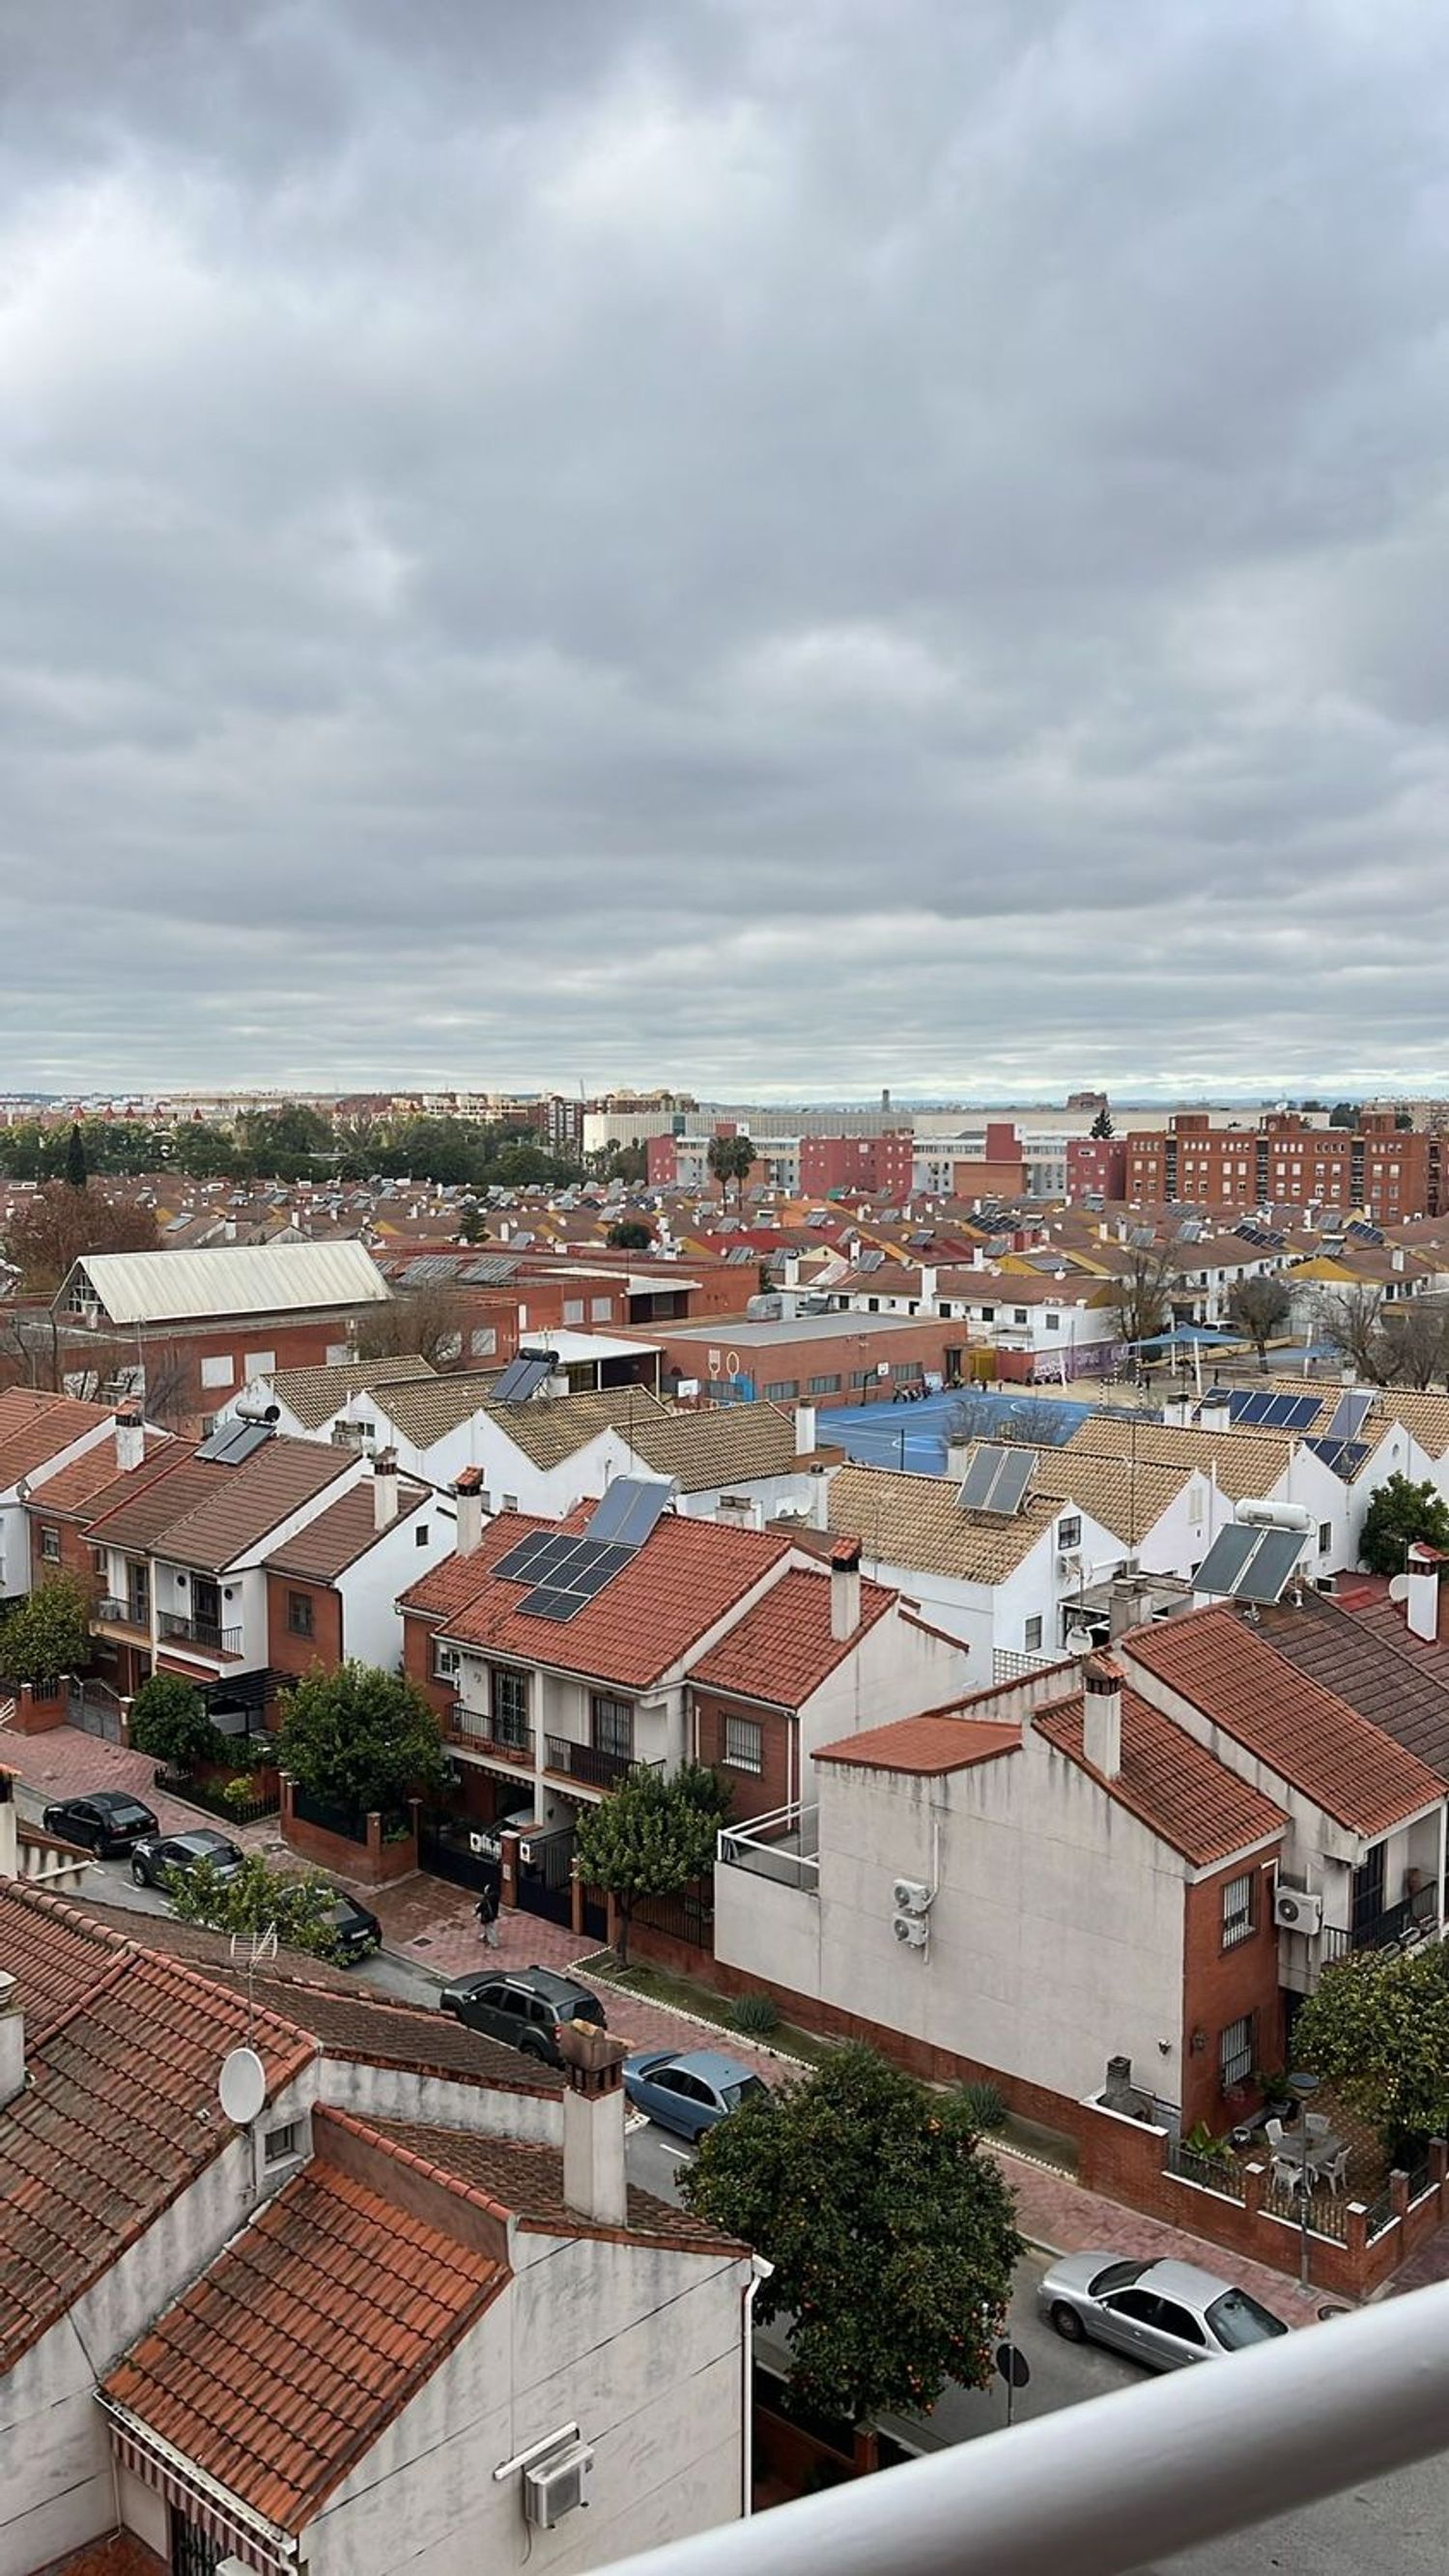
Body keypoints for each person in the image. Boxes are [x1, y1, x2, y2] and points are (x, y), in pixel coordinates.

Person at [475, 1876, 500, 1947]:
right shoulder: (495, 1897)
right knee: (488, 1927)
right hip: (493, 1914)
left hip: (488, 1916)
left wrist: (477, 1910)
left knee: (490, 1928)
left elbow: (481, 1907)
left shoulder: (487, 1900)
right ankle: (485, 1936)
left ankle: (494, 1943)